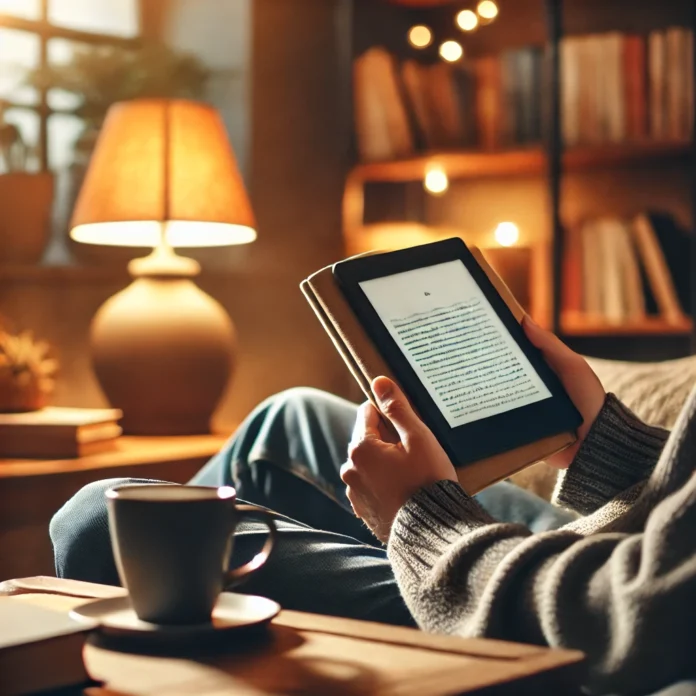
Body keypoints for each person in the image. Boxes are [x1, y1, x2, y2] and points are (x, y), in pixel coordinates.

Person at [50, 317, 696, 695]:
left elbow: (644, 615)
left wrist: (424, 519)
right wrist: (608, 446)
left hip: (610, 637)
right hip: (639, 558)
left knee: (101, 523)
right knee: (292, 415)